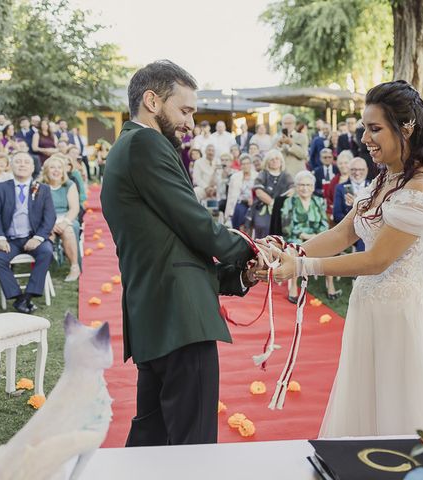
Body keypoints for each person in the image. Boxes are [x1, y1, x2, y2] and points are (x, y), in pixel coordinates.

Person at [262, 80, 423, 437]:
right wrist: (290, 251)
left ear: (405, 128)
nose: (364, 138)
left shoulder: (421, 186)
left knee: (402, 413)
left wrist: (302, 267)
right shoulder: (386, 178)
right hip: (369, 310)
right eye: (364, 128)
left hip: (401, 318)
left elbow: (377, 259)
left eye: (374, 128)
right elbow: (343, 234)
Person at [100, 60, 257, 447]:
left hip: (156, 314)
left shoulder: (126, 147)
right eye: (184, 110)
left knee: (150, 441)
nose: (190, 123)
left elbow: (169, 244)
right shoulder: (146, 143)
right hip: (179, 319)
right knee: (192, 444)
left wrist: (239, 275)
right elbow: (196, 225)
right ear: (152, 101)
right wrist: (254, 250)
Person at [0, 151, 55, 314]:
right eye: (18, 162)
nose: (22, 164)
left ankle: (27, 296)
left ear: (32, 167)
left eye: (26, 162)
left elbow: (50, 217)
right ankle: (17, 297)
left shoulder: (42, 189)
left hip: (33, 237)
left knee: (46, 252)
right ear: (11, 166)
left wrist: (38, 238)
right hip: (10, 240)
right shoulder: (1, 188)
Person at [281, 170, 338, 302]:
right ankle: (293, 287)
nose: (304, 188)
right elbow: (286, 227)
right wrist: (305, 235)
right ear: (296, 187)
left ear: (312, 187)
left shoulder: (319, 201)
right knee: (295, 250)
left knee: (328, 250)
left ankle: (330, 285)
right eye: (301, 185)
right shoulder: (289, 202)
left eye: (308, 185)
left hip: (316, 237)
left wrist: (315, 236)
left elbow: (324, 224)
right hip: (296, 237)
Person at [41, 154, 81, 282]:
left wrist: (65, 222)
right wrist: (49, 224)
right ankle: (43, 267)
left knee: (68, 231)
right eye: (52, 167)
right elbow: (35, 209)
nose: (56, 170)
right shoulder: (39, 185)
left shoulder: (69, 185)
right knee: (47, 233)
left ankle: (75, 267)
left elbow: (74, 208)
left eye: (59, 167)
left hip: (65, 216)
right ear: (46, 170)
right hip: (46, 218)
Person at [250, 149, 294, 238]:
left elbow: (292, 190)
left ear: (281, 162)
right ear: (267, 162)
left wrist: (279, 204)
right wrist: (272, 203)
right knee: (263, 226)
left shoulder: (286, 175)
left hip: (282, 208)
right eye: (272, 159)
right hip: (263, 207)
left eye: (277, 159)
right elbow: (259, 192)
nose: (275, 161)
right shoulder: (263, 174)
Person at [333, 156, 370, 251]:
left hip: (370, 228)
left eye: (361, 169)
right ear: (349, 171)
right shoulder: (340, 188)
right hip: (349, 230)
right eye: (353, 169)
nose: (357, 173)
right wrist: (356, 222)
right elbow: (337, 215)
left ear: (366, 170)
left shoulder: (373, 187)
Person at [225, 153, 255, 230]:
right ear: (241, 165)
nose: (245, 166)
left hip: (254, 203)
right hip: (240, 202)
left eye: (248, 163)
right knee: (239, 211)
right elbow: (230, 196)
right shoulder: (235, 177)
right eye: (243, 164)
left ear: (251, 164)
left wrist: (253, 200)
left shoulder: (257, 176)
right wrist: (228, 214)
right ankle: (240, 234)